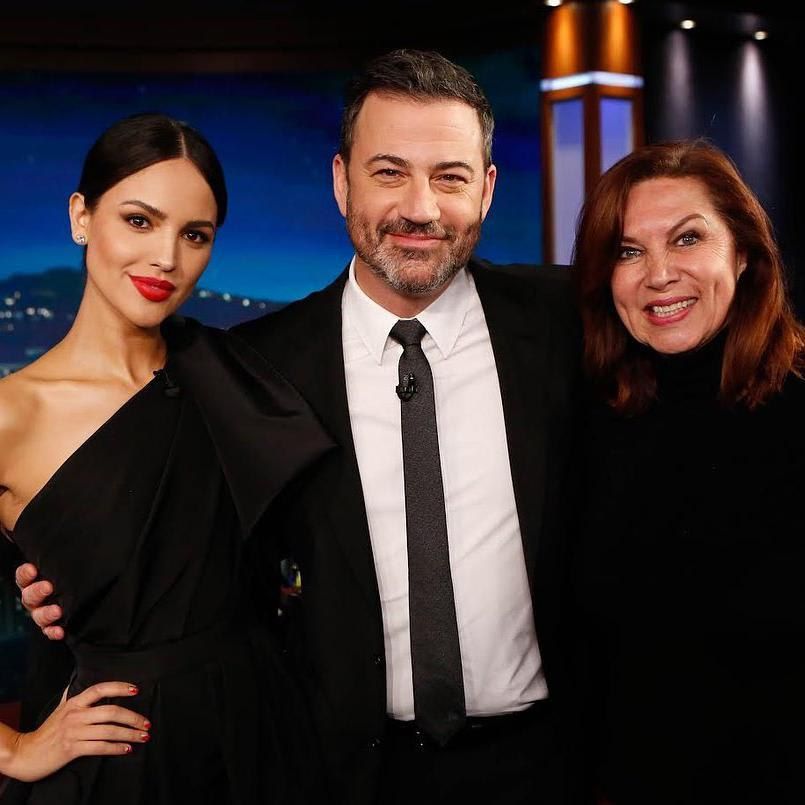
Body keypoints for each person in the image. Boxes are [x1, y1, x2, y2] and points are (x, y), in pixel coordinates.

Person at [20, 51, 582, 804]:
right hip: (324, 767)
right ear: (341, 180)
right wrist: (67, 578)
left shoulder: (569, 324)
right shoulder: (257, 368)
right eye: (388, 172)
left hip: (544, 762)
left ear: (485, 188)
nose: (419, 206)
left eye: (448, 175)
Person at [0, 113, 332, 804]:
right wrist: (18, 749)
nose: (166, 260)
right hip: (119, 760)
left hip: (262, 734)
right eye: (139, 221)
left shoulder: (236, 376)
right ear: (81, 216)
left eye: (194, 235)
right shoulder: (12, 413)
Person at [572, 139, 805, 804]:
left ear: (741, 253)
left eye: (686, 239)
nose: (658, 273)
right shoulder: (589, 422)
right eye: (627, 251)